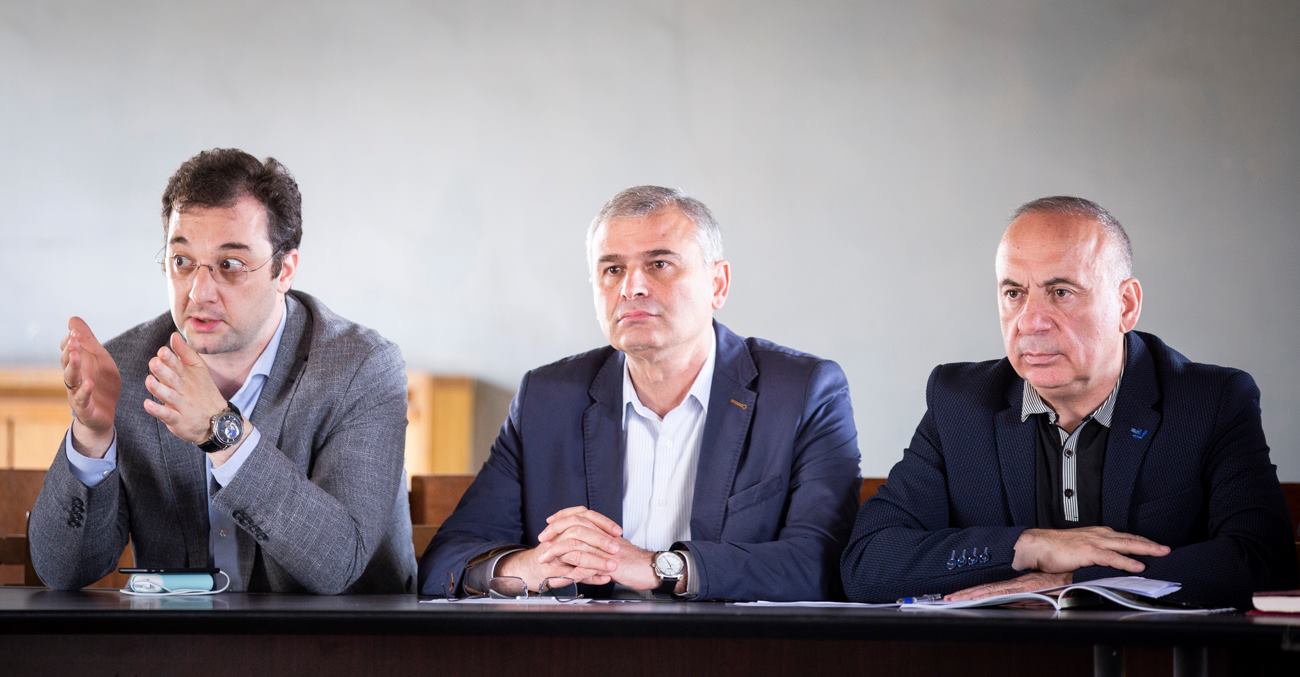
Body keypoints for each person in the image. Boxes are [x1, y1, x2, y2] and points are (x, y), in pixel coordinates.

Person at [841, 196, 1297, 608]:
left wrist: (1074, 581)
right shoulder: (960, 402)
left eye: (1061, 292)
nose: (1031, 322)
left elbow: (1262, 559)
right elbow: (868, 562)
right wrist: (1028, 546)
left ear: (1126, 305)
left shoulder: (1209, 402)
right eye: (1014, 293)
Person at [419, 186, 861, 601]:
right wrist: (530, 568)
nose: (632, 288)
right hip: (581, 647)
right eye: (613, 269)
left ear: (718, 284)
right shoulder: (547, 398)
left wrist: (661, 568)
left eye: (659, 264)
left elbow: (821, 562)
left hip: (734, 646)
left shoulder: (801, 392)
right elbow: (447, 560)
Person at [30, 148, 415, 593]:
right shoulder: (129, 369)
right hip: (181, 636)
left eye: (230, 265)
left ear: (284, 270)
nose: (199, 292)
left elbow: (338, 563)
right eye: (182, 261)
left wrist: (221, 433)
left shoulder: (362, 369)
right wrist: (90, 438)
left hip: (339, 636)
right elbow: (62, 572)